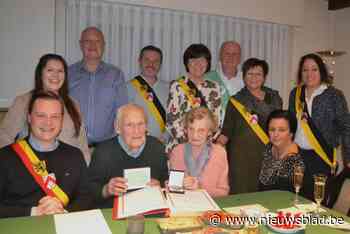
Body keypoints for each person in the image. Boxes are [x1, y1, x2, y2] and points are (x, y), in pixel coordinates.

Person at [0, 91, 92, 218]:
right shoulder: (5, 157)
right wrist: (34, 211)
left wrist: (64, 212)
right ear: (29, 118)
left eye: (55, 116)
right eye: (41, 115)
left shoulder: (75, 155)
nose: (48, 122)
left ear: (62, 120)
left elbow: (86, 197)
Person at [0, 54, 90, 164]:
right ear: (40, 73)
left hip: (68, 170)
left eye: (60, 71)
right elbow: (4, 137)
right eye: (50, 70)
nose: (55, 75)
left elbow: (82, 143)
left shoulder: (73, 104)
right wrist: (12, 166)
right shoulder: (23, 102)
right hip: (34, 171)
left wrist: (84, 169)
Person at [288, 53, 350, 199]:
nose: (309, 74)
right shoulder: (295, 94)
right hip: (298, 155)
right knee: (296, 196)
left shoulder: (334, 95)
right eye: (305, 70)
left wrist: (348, 157)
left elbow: (346, 126)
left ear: (321, 71)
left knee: (318, 200)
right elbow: (290, 124)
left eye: (314, 69)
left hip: (322, 156)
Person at [217, 58, 282, 194]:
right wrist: (215, 150)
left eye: (258, 74)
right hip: (240, 158)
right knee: (241, 196)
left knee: (265, 195)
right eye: (250, 74)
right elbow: (226, 131)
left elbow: (281, 126)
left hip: (268, 155)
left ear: (264, 77)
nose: (254, 78)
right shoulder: (236, 100)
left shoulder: (274, 97)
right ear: (244, 76)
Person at [88, 104, 168, 208]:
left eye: (140, 124)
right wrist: (106, 189)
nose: (136, 130)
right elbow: (88, 191)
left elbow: (165, 181)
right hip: (114, 213)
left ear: (147, 126)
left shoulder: (157, 148)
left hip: (150, 209)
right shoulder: (103, 152)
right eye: (129, 125)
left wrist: (160, 187)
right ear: (117, 128)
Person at [68, 26, 128, 146]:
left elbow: (122, 112)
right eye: (87, 41)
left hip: (106, 147)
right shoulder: (68, 73)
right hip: (73, 145)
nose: (92, 45)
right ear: (80, 45)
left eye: (97, 41)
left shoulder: (116, 74)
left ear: (104, 45)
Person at [166, 43, 222, 153]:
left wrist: (204, 143)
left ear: (208, 63)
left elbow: (217, 120)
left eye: (202, 60)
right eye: (193, 61)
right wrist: (190, 144)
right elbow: (172, 120)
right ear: (187, 63)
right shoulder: (177, 85)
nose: (198, 64)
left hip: (206, 148)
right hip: (180, 147)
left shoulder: (214, 87)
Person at [169, 107, 229, 197]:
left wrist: (200, 189)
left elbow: (224, 192)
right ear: (185, 129)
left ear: (209, 132)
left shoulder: (219, 153)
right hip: (183, 205)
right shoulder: (177, 151)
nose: (195, 135)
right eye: (191, 129)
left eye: (201, 130)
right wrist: (180, 185)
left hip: (210, 208)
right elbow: (173, 188)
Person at [127, 45, 169, 142]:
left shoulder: (169, 89)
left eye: (156, 61)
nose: (151, 64)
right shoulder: (126, 88)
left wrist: (165, 138)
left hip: (162, 145)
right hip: (135, 145)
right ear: (139, 61)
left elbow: (173, 119)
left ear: (160, 64)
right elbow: (122, 120)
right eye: (147, 60)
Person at [259, 110, 305, 192]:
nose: (276, 134)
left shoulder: (298, 160)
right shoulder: (268, 149)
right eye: (272, 129)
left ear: (291, 133)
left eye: (281, 130)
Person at [205, 41, 244, 120]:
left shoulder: (247, 80)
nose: (231, 57)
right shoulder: (207, 78)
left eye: (235, 54)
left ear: (240, 58)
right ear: (220, 56)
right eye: (227, 53)